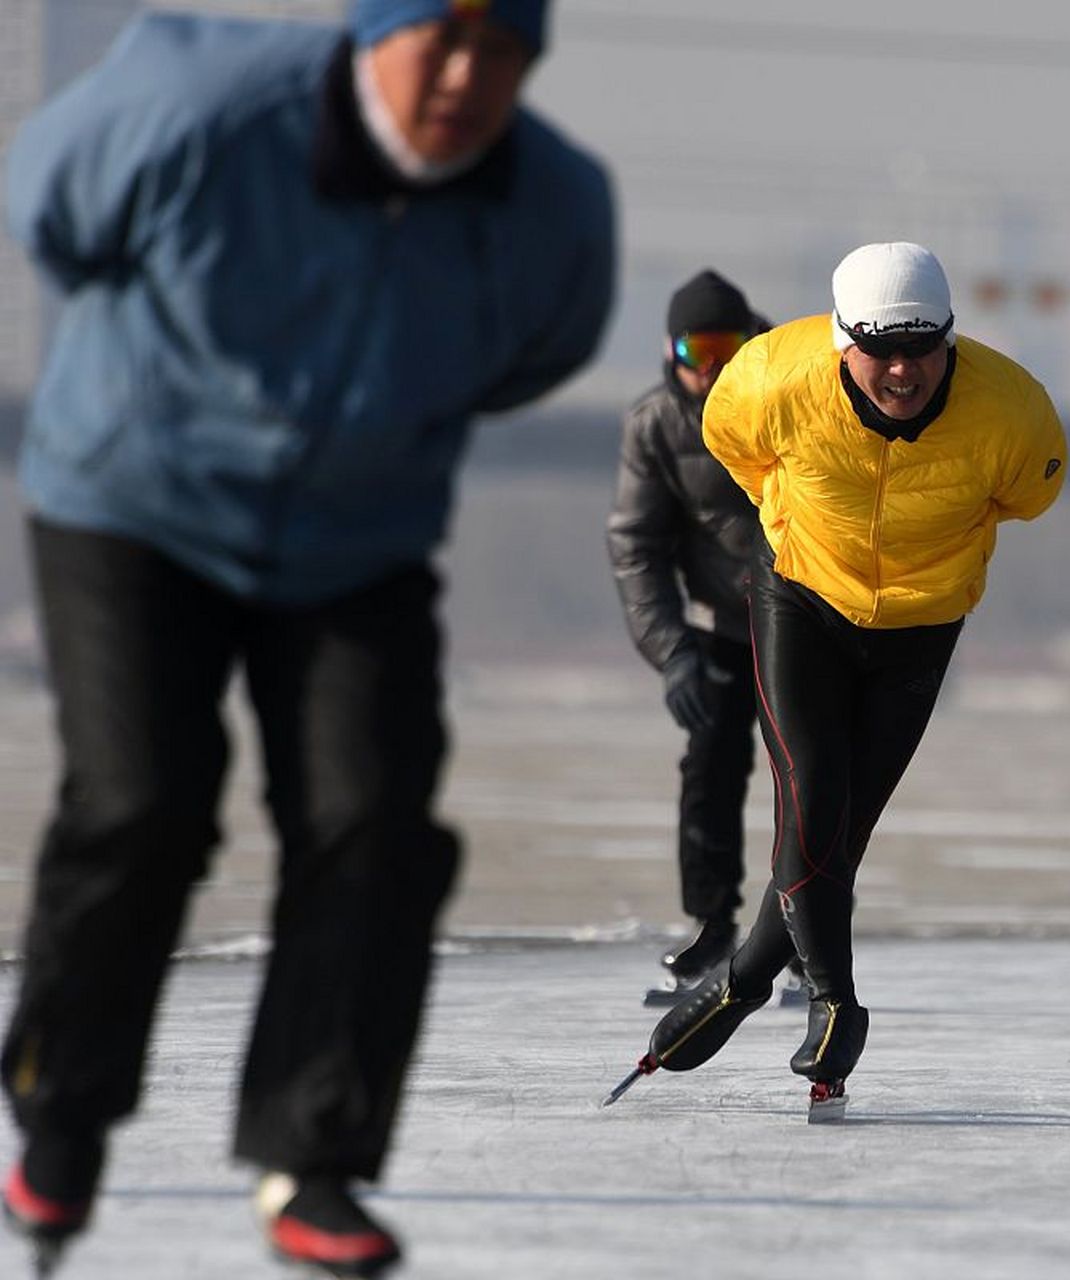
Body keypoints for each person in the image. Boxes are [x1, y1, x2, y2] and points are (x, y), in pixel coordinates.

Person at [0, 1, 614, 1274]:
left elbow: (528, 356)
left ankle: (314, 1154)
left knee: (374, 820)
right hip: (134, 501)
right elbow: (48, 209)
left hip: (357, 534)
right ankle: (61, 1111)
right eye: (434, 37)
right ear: (363, 36)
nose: (462, 75)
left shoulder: (556, 207)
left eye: (500, 48)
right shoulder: (196, 103)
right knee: (143, 802)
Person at [616, 242, 1066, 1115]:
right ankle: (834, 1002)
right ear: (840, 344)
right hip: (799, 602)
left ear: (951, 339)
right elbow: (734, 449)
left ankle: (743, 980)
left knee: (841, 829)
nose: (902, 372)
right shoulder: (768, 379)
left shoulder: (1014, 415)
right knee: (812, 793)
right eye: (878, 350)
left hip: (921, 625)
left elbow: (1027, 497)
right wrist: (799, 521)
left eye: (923, 349)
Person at [607, 269, 769, 998]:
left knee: (815, 779)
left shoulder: (795, 396)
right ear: (671, 351)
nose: (712, 366)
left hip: (811, 618)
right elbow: (637, 544)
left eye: (727, 346)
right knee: (709, 767)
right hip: (721, 625)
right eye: (695, 348)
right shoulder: (655, 424)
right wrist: (673, 655)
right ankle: (711, 925)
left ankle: (805, 930)